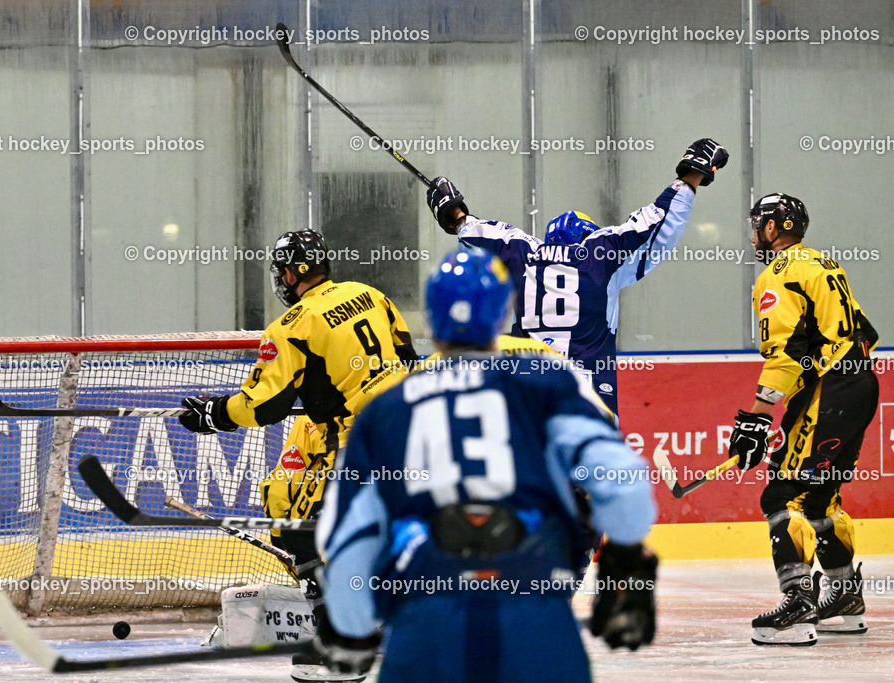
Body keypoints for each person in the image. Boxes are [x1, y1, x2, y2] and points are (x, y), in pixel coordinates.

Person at [312, 249, 658, 682]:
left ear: (433, 321)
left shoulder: (386, 411)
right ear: (501, 315)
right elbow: (622, 482)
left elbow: (350, 542)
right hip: (535, 616)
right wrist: (624, 559)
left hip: (427, 624)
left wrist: (352, 632)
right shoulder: (546, 385)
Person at [178, 229, 418, 681]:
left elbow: (261, 405)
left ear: (289, 272)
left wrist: (213, 415)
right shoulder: (370, 295)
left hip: (361, 444)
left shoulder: (293, 326)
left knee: (297, 526)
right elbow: (409, 359)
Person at [426, 139, 728, 414]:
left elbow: (478, 233)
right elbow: (654, 224)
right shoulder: (601, 257)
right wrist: (691, 177)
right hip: (589, 400)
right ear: (585, 236)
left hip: (527, 395)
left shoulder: (522, 255)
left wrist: (455, 213)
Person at [727, 193, 879, 646]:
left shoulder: (777, 274)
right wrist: (823, 367)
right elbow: (865, 332)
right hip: (860, 384)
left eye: (759, 223)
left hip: (827, 392)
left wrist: (757, 418)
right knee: (821, 498)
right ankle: (846, 597)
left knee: (783, 494)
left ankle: (798, 604)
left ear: (774, 227)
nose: (754, 231)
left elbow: (785, 353)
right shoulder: (824, 262)